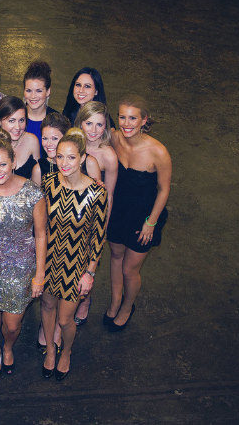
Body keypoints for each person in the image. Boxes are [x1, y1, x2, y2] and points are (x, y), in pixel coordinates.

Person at [0, 129, 47, 381]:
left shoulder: (33, 193)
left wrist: (39, 274)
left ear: (14, 162)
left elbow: (41, 235)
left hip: (22, 268)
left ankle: (7, 346)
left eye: (3, 164)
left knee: (12, 324)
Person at [40, 128, 108, 381]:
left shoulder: (97, 193)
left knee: (66, 319)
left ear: (82, 158)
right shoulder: (49, 183)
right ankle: (49, 349)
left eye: (70, 157)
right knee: (47, 305)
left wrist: (89, 272)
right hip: (48, 257)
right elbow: (41, 223)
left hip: (76, 264)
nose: (64, 163)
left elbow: (98, 236)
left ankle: (65, 351)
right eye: (60, 157)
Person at [105, 96, 171, 332]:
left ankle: (127, 306)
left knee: (129, 269)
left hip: (143, 217)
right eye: (122, 116)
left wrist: (150, 223)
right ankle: (114, 301)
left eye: (133, 118)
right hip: (118, 211)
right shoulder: (114, 138)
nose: (126, 123)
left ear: (144, 120)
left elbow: (164, 190)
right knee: (115, 256)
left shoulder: (158, 152)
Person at [72, 101, 118, 325]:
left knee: (87, 263)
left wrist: (104, 225)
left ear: (106, 127)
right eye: (88, 123)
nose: (93, 129)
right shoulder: (72, 144)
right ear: (80, 122)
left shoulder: (108, 155)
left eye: (99, 124)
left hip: (92, 219)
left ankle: (85, 300)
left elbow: (109, 194)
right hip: (69, 214)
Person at [0, 96, 41, 181]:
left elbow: (37, 178)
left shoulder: (32, 141)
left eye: (21, 120)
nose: (18, 127)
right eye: (11, 121)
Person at [22, 60, 58, 154]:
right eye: (29, 90)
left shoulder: (57, 119)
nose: (33, 96)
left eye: (39, 91)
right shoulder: (14, 116)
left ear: (48, 91)